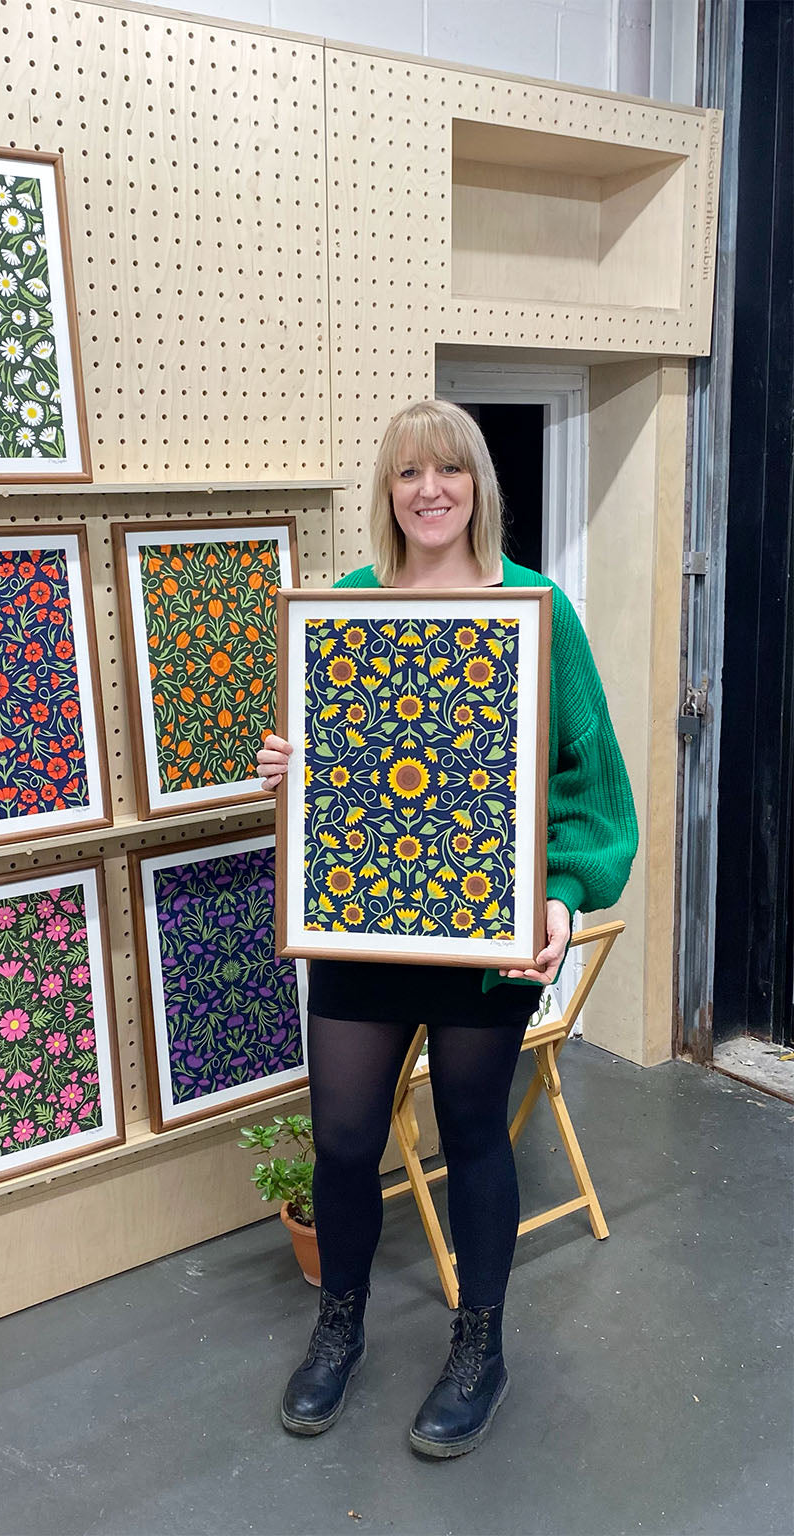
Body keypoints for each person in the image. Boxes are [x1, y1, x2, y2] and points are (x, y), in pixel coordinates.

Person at [256, 398, 638, 1458]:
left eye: (450, 470)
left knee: (473, 1133)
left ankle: (481, 1347)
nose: (430, 490)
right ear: (387, 492)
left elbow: (593, 790)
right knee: (343, 1140)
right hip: (365, 927)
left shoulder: (536, 610)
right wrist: (293, 771)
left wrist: (559, 895)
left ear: (479, 484)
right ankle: (339, 1331)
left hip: (484, 939)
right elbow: (342, 776)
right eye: (408, 473)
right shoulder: (345, 608)